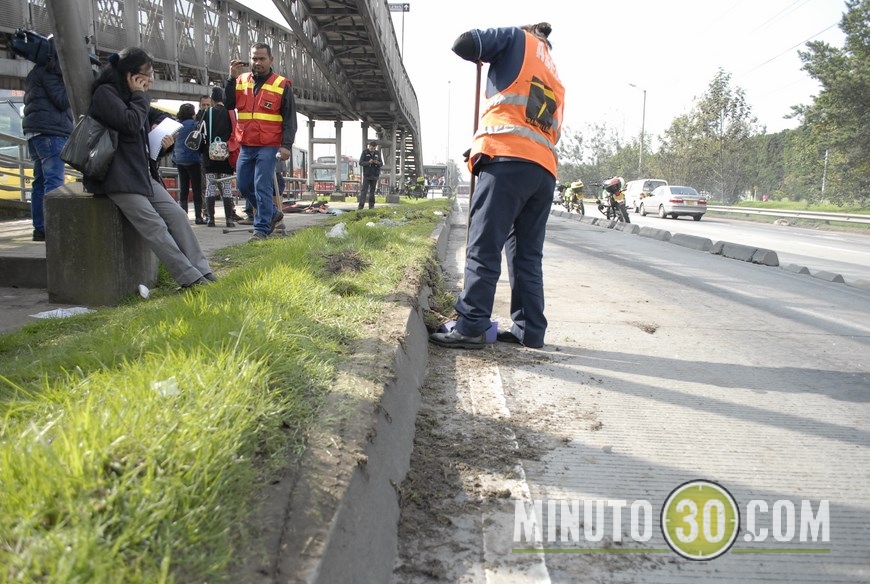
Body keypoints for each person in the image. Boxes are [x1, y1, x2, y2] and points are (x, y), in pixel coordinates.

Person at [429, 22, 564, 350]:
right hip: (543, 170)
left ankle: (472, 324)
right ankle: (530, 330)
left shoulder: (518, 38)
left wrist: (484, 55)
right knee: (527, 256)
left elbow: (465, 42)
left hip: (506, 159)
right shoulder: (555, 76)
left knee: (483, 244)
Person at [83, 47, 215, 288]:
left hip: (141, 174)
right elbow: (131, 124)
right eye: (148, 74)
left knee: (177, 216)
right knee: (154, 226)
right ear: (131, 75)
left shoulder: (134, 97)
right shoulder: (106, 94)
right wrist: (139, 95)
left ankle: (203, 270)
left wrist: (165, 142)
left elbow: (162, 120)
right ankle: (190, 278)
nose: (151, 80)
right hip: (117, 176)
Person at [225, 43, 297, 242]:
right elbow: (229, 103)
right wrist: (230, 78)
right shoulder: (240, 81)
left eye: (262, 58)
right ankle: (272, 213)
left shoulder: (281, 85)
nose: (257, 62)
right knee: (243, 184)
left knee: (261, 185)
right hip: (246, 144)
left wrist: (286, 145)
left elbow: (290, 118)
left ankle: (261, 229)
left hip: (269, 144)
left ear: (271, 60)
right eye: (254, 58)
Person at [22, 54, 72, 242]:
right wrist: (69, 83)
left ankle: (40, 229)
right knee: (54, 184)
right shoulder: (51, 73)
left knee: (39, 183)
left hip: (35, 133)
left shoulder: (35, 72)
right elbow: (61, 100)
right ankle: (54, 229)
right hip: (51, 132)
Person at [198, 86, 237, 228]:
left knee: (210, 185)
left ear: (213, 100)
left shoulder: (207, 112)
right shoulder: (230, 113)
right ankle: (229, 220)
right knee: (226, 187)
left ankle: (211, 219)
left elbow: (201, 132)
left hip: (210, 155)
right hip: (226, 154)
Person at [172, 103, 206, 224]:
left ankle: (184, 217)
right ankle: (198, 217)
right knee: (196, 189)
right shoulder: (194, 125)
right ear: (192, 113)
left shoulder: (176, 125)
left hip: (179, 159)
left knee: (183, 189)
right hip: (193, 160)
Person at [358, 140, 382, 209]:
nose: (373, 150)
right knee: (364, 191)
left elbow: (381, 163)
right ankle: (361, 206)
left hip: (375, 175)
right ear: (369, 146)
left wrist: (377, 162)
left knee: (372, 191)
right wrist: (368, 162)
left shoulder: (377, 153)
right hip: (367, 175)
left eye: (374, 149)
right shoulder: (365, 152)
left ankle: (371, 206)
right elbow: (361, 162)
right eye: (371, 148)